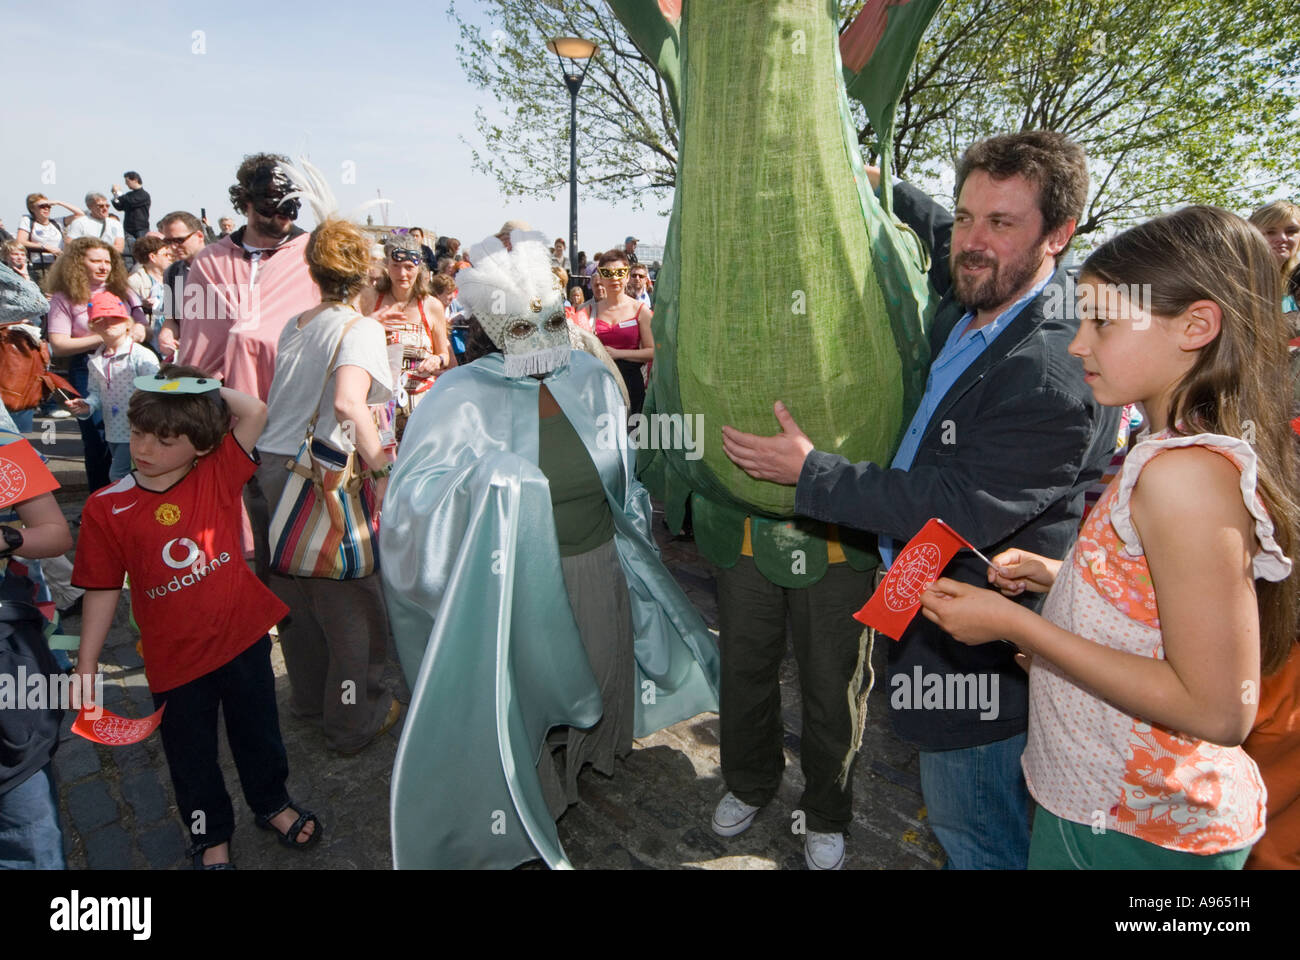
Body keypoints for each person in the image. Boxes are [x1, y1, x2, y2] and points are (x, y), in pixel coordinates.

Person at [720, 131, 1119, 869]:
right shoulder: (991, 283)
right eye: (968, 216)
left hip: (976, 638)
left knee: (974, 822)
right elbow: (940, 227)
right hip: (918, 574)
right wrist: (865, 172)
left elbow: (956, 505)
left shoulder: (1051, 370)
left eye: (1001, 223)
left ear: (1058, 234)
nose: (971, 241)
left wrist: (813, 474)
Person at [917, 205, 1298, 869]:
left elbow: (1216, 709)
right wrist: (1057, 576)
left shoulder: (1184, 476)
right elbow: (1168, 609)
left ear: (1196, 326)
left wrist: (1019, 626)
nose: (1077, 343)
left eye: (1103, 320)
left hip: (1129, 829)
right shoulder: (1166, 452)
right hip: (1105, 806)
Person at [381, 228, 718, 868]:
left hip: (593, 562)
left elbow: (623, 469)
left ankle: (587, 762)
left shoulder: (590, 376)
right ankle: (533, 794)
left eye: (549, 324)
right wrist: (489, 482)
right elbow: (408, 504)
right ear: (490, 330)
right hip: (511, 587)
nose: (541, 342)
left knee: (594, 668)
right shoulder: (456, 396)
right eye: (523, 331)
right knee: (529, 694)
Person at [72, 365, 322, 869]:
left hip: (243, 638)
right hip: (175, 659)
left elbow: (252, 410)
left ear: (202, 446)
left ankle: (271, 802)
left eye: (166, 441)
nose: (145, 449)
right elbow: (101, 589)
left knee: (259, 732)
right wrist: (86, 663)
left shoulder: (218, 470)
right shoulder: (106, 507)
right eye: (140, 433)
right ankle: (210, 837)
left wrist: (194, 387)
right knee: (191, 756)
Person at [249, 216, 399, 755]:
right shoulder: (360, 328)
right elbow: (347, 404)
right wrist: (381, 469)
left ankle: (310, 702)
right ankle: (354, 721)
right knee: (351, 606)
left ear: (312, 269)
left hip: (272, 467)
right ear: (367, 271)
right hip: (321, 475)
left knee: (294, 598)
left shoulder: (297, 322)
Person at [169, 155, 319, 401]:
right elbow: (197, 339)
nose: (284, 212)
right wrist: (188, 396)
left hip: (290, 401)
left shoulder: (313, 256)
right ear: (247, 200)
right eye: (273, 199)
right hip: (221, 403)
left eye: (292, 200)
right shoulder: (210, 260)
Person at [0, 390, 75, 868]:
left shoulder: (3, 442)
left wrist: (8, 538)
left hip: (10, 662)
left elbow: (54, 533)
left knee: (28, 826)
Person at [43, 237, 149, 491]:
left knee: (136, 433)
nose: (104, 266)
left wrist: (137, 332)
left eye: (107, 261)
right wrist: (105, 337)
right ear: (79, 263)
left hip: (129, 363)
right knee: (97, 438)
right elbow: (58, 344)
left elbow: (142, 325)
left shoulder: (124, 290)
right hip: (88, 365)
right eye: (96, 261)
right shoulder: (63, 297)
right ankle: (99, 500)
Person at [358, 234, 453, 435]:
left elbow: (445, 356)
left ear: (419, 268)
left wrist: (437, 359)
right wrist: (370, 323)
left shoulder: (431, 306)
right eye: (396, 266)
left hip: (421, 407)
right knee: (380, 465)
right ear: (386, 266)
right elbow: (350, 341)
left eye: (409, 267)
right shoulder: (369, 298)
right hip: (377, 407)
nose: (402, 274)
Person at [65, 292, 160, 481]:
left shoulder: (140, 355)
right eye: (100, 320)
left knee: (118, 474)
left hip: (138, 428)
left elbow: (156, 390)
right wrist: (88, 404)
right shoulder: (96, 360)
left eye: (115, 319)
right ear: (93, 326)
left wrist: (149, 420)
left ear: (127, 323)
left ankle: (123, 507)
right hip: (113, 429)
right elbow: (96, 392)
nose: (108, 323)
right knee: (133, 474)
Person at [583, 249, 653, 417]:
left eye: (620, 272)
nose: (614, 278)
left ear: (627, 276)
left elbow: (652, 352)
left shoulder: (641, 310)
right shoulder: (588, 310)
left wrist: (618, 353)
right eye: (608, 273)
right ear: (600, 277)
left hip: (631, 387)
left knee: (630, 440)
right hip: (597, 387)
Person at [156, 211, 207, 356]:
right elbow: (172, 318)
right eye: (167, 242)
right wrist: (166, 334)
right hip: (189, 357)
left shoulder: (225, 267)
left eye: (179, 240)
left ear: (199, 236)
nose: (172, 247)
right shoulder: (172, 272)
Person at [126, 235, 174, 350]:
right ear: (153, 257)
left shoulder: (173, 277)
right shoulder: (135, 282)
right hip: (151, 341)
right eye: (165, 255)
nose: (170, 258)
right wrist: (143, 306)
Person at [16, 194, 81, 277]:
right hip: (39, 266)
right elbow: (20, 241)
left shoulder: (57, 223)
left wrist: (59, 202)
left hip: (59, 264)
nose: (46, 208)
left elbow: (80, 214)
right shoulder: (27, 221)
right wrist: (45, 247)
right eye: (42, 206)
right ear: (32, 209)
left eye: (48, 206)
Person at [110, 173, 151, 247]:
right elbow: (119, 206)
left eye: (127, 181)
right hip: (128, 229)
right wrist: (115, 195)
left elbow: (131, 201)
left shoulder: (144, 195)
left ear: (135, 180)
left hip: (140, 228)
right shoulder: (129, 194)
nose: (126, 184)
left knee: (142, 248)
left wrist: (118, 193)